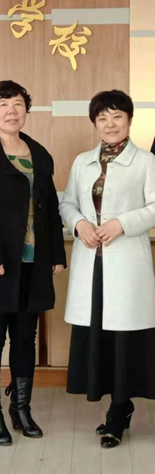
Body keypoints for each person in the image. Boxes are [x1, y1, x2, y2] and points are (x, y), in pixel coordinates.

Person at [0, 80, 66, 446]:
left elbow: (49, 209)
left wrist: (56, 254)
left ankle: (21, 408)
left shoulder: (40, 153)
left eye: (17, 104)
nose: (11, 111)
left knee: (24, 340)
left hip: (32, 264)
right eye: (3, 105)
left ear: (26, 110)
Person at [60, 90, 155, 449]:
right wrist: (79, 223)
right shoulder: (83, 161)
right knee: (98, 332)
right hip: (91, 260)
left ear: (129, 120)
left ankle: (119, 410)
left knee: (123, 338)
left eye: (117, 117)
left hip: (126, 260)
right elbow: (67, 203)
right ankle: (113, 403)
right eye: (102, 118)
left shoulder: (145, 161)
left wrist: (122, 223)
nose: (110, 124)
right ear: (95, 123)